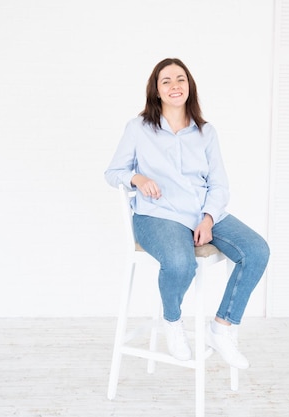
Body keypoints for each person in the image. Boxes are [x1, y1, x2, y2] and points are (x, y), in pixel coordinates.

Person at [104, 58, 269, 369]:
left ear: (189, 86)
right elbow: (113, 172)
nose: (174, 85)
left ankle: (221, 328)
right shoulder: (138, 128)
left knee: (257, 251)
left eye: (180, 79)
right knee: (181, 264)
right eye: (166, 81)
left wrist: (208, 217)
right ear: (156, 90)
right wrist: (137, 178)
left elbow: (219, 184)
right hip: (157, 215)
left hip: (202, 214)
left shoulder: (206, 132)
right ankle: (172, 321)